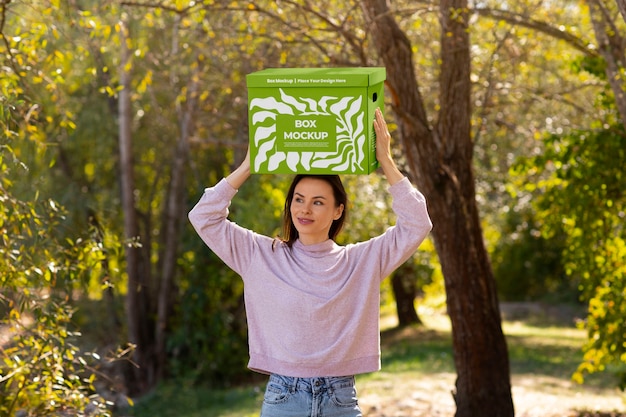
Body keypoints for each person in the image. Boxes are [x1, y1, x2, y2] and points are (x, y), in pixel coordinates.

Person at [188, 108, 432, 417]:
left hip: (339, 398)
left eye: (318, 202)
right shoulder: (261, 255)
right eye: (298, 199)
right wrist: (249, 165)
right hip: (283, 398)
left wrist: (386, 160)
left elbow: (416, 224)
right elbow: (203, 217)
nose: (305, 209)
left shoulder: (362, 260)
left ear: (337, 211)